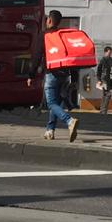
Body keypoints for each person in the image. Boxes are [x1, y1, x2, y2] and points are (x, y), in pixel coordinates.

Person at [42, 9, 79, 142]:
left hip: (51, 74)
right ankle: (50, 130)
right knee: (56, 103)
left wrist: (30, 74)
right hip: (65, 75)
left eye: (47, 19)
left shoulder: (46, 36)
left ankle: (69, 121)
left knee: (51, 103)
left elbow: (36, 55)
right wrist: (74, 78)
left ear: (50, 20)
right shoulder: (63, 36)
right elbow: (72, 57)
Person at [95, 45, 112, 115]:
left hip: (108, 80)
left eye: (111, 53)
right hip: (103, 79)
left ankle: (102, 110)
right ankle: (103, 111)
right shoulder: (102, 60)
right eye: (109, 53)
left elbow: (110, 70)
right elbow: (98, 71)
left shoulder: (110, 60)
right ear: (105, 52)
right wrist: (99, 80)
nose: (110, 54)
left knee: (105, 94)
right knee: (108, 94)